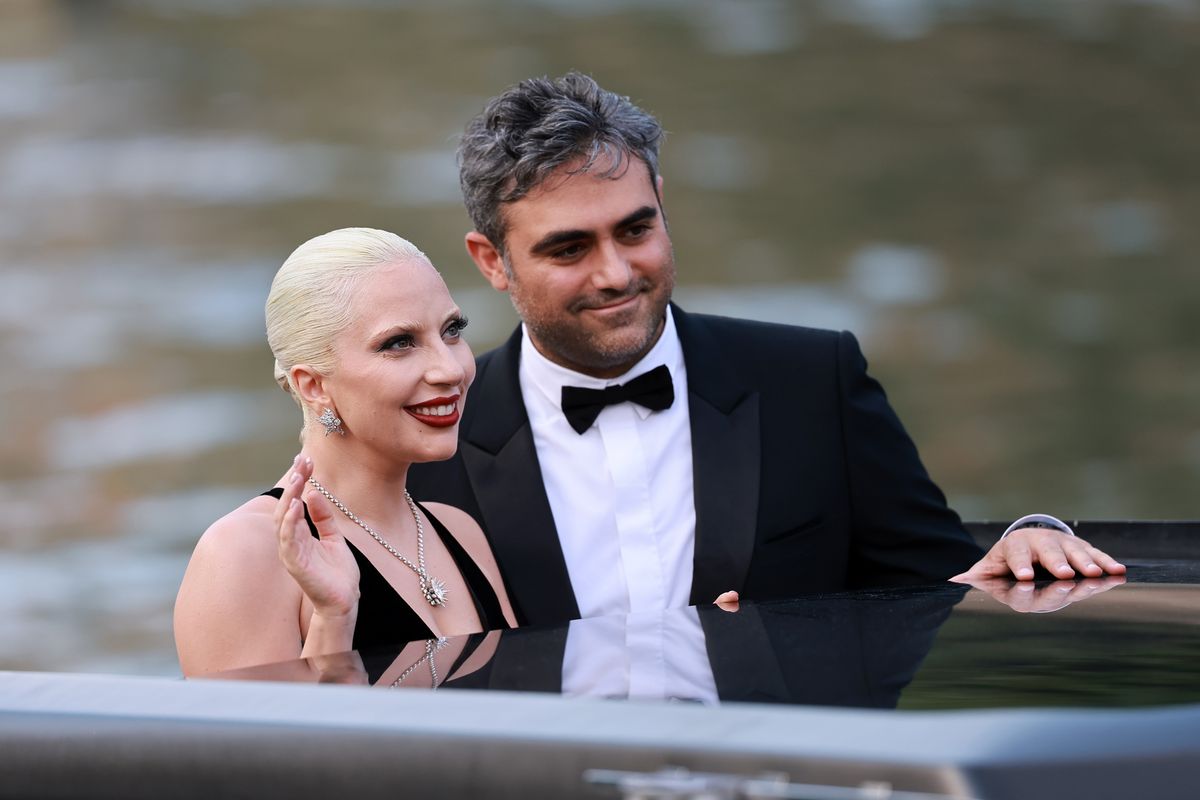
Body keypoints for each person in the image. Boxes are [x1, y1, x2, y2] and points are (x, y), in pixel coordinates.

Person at [406, 72, 1125, 628]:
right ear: (492, 262)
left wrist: (1034, 537)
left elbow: (943, 591)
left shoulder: (815, 383)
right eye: (568, 248)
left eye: (634, 230)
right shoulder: (426, 438)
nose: (617, 273)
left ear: (662, 201)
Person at [175, 228, 517, 677]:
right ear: (312, 385)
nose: (451, 369)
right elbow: (257, 747)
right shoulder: (243, 554)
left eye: (452, 331)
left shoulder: (461, 532)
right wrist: (333, 623)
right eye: (400, 343)